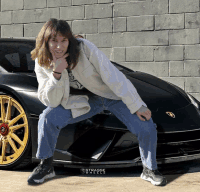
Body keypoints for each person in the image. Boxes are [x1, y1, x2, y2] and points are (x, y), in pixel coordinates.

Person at [28, 18, 167, 186]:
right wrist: (57, 72)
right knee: (47, 118)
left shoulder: (84, 48)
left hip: (109, 96)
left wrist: (137, 104)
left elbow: (112, 75)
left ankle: (149, 169)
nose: (59, 46)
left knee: (146, 125)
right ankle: (46, 166)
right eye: (54, 41)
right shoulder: (42, 62)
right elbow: (50, 100)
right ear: (45, 41)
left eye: (63, 40)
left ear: (69, 40)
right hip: (81, 101)